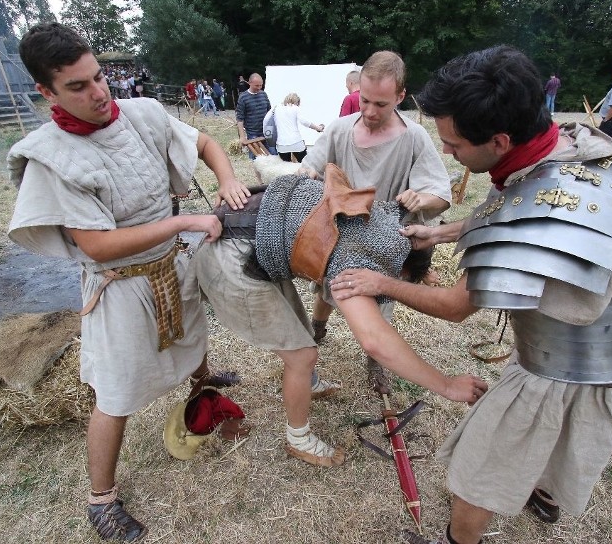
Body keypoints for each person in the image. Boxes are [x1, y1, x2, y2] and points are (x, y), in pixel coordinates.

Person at [330, 45, 612, 544]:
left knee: (477, 472)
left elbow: (457, 306)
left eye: (456, 145)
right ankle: (544, 493)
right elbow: (516, 211)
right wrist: (441, 233)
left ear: (500, 141)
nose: (447, 153)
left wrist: (381, 283)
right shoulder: (572, 149)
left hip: (558, 367)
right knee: (565, 438)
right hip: (609, 346)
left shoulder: (536, 192)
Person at [6, 22, 251, 542]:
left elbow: (206, 142)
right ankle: (102, 499)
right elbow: (96, 245)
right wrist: (185, 222)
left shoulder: (141, 113)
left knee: (194, 337)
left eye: (98, 77)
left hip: (174, 265)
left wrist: (227, 177)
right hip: (120, 287)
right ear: (45, 92)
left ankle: (202, 384)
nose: (98, 93)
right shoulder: (51, 158)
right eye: (77, 86)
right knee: (114, 395)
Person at [194, 168, 488, 467]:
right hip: (229, 251)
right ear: (400, 271)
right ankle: (298, 439)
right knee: (302, 356)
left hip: (253, 230)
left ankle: (307, 384)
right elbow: (375, 341)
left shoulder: (385, 217)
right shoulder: (356, 262)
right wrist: (447, 385)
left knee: (300, 331)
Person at [299, 50, 452, 391]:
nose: (369, 111)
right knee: (326, 287)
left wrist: (421, 197)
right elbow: (312, 165)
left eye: (380, 104)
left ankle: (376, 362)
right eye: (364, 100)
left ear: (400, 96)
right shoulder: (339, 130)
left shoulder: (414, 138)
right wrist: (307, 173)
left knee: (379, 305)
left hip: (383, 241)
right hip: (337, 230)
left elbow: (441, 194)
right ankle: (317, 329)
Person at [272, 92, 324, 162]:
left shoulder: (276, 108)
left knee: (286, 167)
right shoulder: (295, 108)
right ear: (296, 102)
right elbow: (304, 122)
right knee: (305, 164)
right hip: (296, 142)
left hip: (281, 145)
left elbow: (267, 120)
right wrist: (318, 128)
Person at [236, 73, 276, 158]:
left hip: (267, 130)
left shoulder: (263, 94)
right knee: (255, 157)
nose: (259, 88)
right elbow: (240, 119)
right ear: (249, 83)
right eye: (256, 85)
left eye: (261, 85)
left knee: (274, 153)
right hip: (252, 132)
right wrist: (242, 137)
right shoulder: (243, 97)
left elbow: (270, 112)